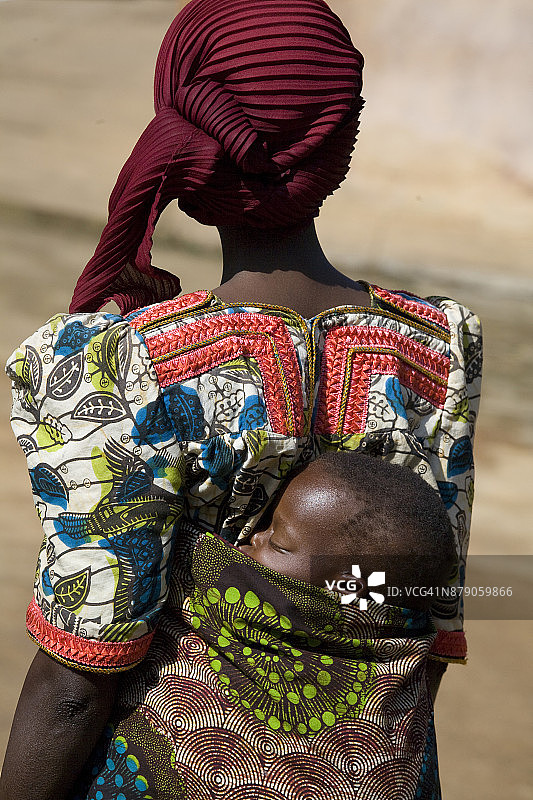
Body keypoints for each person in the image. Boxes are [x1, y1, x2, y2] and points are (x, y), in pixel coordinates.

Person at [1, 1, 482, 798]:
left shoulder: (116, 362)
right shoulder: (438, 345)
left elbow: (78, 677)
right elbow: (428, 614)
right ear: (340, 144)